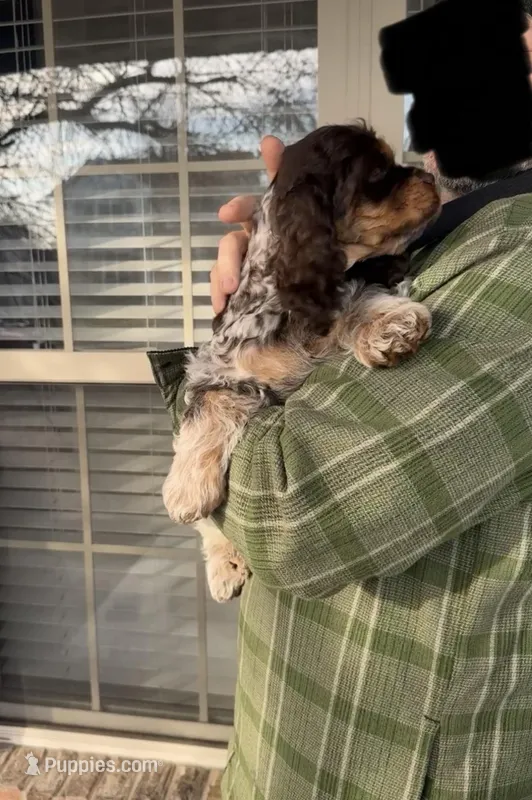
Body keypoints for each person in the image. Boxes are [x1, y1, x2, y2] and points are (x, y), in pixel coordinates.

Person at [161, 12, 532, 800]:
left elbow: (289, 509)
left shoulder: (520, 252)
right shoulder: (457, 228)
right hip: (276, 745)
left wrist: (197, 388)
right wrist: (253, 297)